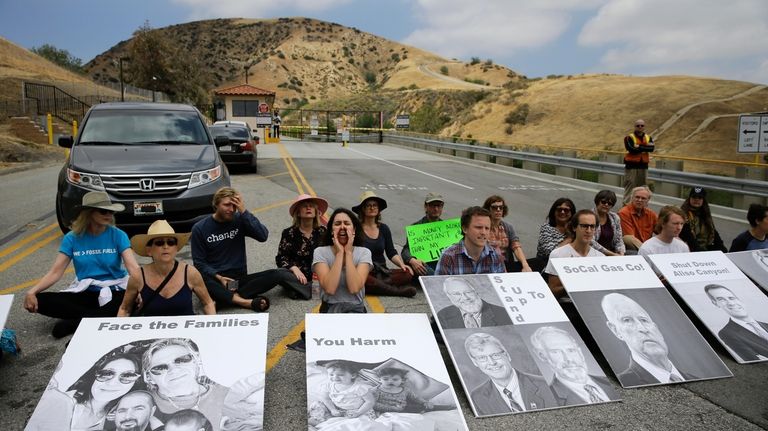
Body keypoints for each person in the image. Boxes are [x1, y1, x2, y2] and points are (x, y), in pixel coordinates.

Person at [23, 191, 140, 338]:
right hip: (86, 290)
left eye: (111, 211)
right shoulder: (71, 238)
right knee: (40, 301)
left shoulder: (118, 235)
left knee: (133, 298)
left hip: (115, 289)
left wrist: (141, 289)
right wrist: (32, 292)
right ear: (89, 213)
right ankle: (98, 318)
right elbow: (55, 272)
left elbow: (133, 267)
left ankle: (77, 323)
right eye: (104, 211)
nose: (109, 215)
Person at [190, 187, 305, 312]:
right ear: (216, 204)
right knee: (197, 278)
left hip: (237, 281)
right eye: (227, 205)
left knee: (277, 274)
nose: (231, 209)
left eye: (234, 205)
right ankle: (245, 301)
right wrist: (219, 277)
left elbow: (263, 236)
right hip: (216, 279)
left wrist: (244, 211)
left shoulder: (239, 219)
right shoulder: (200, 228)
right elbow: (199, 263)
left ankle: (223, 299)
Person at [26, 346, 144, 431]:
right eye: (106, 373)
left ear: (135, 383)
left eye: (128, 376)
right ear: (94, 375)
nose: (112, 383)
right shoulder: (59, 401)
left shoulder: (119, 419)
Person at [118, 220, 216, 317]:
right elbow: (125, 309)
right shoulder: (138, 276)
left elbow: (208, 303)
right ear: (149, 250)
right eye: (159, 243)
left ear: (176, 248)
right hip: (152, 332)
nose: (166, 246)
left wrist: (213, 327)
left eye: (171, 242)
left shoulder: (190, 272)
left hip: (186, 331)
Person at [601, 293, 695, 385]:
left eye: (644, 320)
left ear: (657, 328)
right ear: (616, 331)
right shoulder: (621, 383)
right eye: (627, 320)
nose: (643, 329)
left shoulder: (694, 379)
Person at [142, 338, 229, 427]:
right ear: (149, 377)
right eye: (160, 368)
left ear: (196, 361)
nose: (174, 370)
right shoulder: (141, 405)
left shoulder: (228, 395)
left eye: (182, 360)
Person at [464, 333, 556, 415]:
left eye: (495, 355)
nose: (492, 362)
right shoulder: (477, 397)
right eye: (482, 358)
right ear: (475, 362)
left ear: (507, 355)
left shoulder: (544, 385)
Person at [530, 326, 618, 406]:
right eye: (556, 352)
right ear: (542, 356)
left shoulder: (610, 380)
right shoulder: (547, 400)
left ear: (580, 352)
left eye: (571, 350)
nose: (568, 359)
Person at [353, 191, 416, 297]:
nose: (372, 208)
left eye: (375, 205)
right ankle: (397, 291)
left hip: (382, 272)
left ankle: (377, 287)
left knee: (408, 274)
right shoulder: (356, 229)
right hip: (365, 271)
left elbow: (391, 252)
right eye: (368, 205)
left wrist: (402, 265)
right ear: (362, 209)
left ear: (378, 209)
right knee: (360, 279)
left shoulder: (384, 228)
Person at [312, 208, 373, 313]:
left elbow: (354, 288)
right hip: (329, 308)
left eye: (347, 223)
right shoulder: (320, 252)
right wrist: (340, 253)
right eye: (337, 224)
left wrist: (348, 253)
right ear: (331, 230)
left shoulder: (364, 252)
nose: (342, 227)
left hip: (356, 309)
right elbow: (330, 289)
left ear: (354, 230)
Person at [275, 194, 329, 300]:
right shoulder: (288, 233)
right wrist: (294, 268)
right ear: (298, 213)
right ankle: (305, 289)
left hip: (319, 276)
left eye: (311, 206)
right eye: (304, 206)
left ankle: (299, 290)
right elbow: (281, 258)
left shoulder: (323, 231)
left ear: (316, 212)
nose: (308, 208)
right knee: (279, 275)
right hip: (296, 276)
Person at [544, 210, 604, 299]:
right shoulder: (558, 254)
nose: (588, 230)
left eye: (592, 226)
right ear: (574, 228)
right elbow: (553, 291)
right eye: (584, 226)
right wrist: (574, 285)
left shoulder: (601, 258)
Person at [704, 284, 768, 362]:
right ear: (715, 303)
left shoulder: (766, 325)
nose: (731, 303)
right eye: (721, 299)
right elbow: (754, 359)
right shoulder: (727, 333)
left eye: (731, 298)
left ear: (738, 299)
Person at [435, 206, 505, 276]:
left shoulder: (496, 256)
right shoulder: (449, 257)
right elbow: (439, 286)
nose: (483, 232)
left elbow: (501, 285)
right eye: (478, 227)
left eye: (487, 228)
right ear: (465, 229)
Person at [308, 360, 377, 426]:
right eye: (331, 374)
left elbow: (370, 402)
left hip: (357, 410)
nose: (335, 377)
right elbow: (326, 398)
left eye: (340, 375)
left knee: (359, 423)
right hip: (337, 409)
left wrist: (358, 412)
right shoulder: (329, 385)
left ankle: (335, 421)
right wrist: (332, 409)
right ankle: (320, 418)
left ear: (352, 375)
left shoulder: (359, 387)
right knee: (316, 404)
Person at [436, 277, 512, 329]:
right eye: (457, 294)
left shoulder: (503, 313)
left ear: (476, 291)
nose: (465, 298)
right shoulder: (443, 315)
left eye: (468, 292)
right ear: (449, 296)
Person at [483, 195, 533, 272]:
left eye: (501, 207)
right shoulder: (483, 228)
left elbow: (516, 247)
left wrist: (525, 265)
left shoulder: (507, 227)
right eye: (494, 207)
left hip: (507, 264)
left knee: (538, 263)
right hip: (489, 266)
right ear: (488, 209)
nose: (498, 210)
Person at [400, 192, 445, 276]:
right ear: (426, 207)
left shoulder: (448, 229)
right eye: (432, 205)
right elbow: (405, 250)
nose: (436, 209)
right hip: (424, 267)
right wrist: (412, 260)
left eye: (439, 206)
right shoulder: (416, 228)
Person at [679, 187, 727, 252]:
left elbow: (713, 232)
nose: (696, 200)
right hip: (690, 248)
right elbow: (689, 238)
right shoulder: (683, 215)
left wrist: (722, 249)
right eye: (694, 197)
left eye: (699, 198)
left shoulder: (705, 214)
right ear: (689, 198)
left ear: (703, 200)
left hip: (705, 247)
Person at [622, 119, 655, 204]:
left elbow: (651, 148)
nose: (640, 127)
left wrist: (638, 146)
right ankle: (626, 206)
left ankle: (641, 206)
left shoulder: (648, 137)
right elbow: (631, 149)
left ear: (644, 127)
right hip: (631, 166)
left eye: (642, 125)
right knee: (630, 186)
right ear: (635, 126)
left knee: (642, 187)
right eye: (638, 125)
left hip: (643, 166)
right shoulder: (629, 137)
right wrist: (644, 147)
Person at [618, 186, 658, 253]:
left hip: (647, 248)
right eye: (637, 197)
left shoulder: (651, 214)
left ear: (648, 200)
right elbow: (629, 239)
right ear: (632, 198)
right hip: (631, 248)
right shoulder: (624, 212)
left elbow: (662, 231)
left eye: (643, 198)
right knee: (628, 238)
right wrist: (647, 251)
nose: (639, 200)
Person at [590, 190, 625, 256]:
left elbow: (619, 240)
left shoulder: (615, 217)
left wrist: (621, 252)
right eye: (603, 202)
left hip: (613, 252)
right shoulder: (589, 216)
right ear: (597, 202)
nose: (606, 205)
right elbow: (591, 242)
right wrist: (612, 254)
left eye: (609, 203)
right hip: (594, 253)